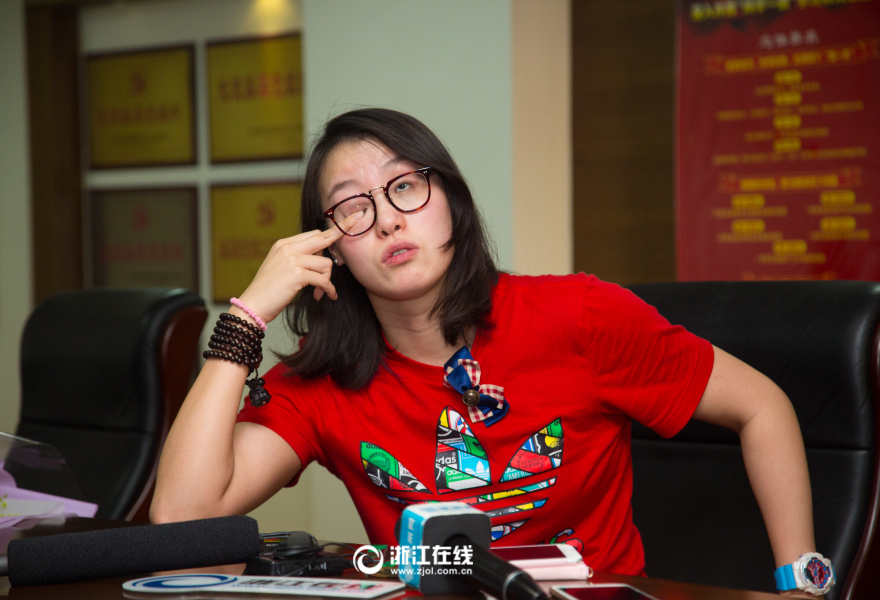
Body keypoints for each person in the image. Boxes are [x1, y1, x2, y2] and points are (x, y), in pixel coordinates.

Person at [151, 108, 825, 592]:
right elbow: (181, 524)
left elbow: (763, 406)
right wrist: (246, 317)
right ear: (331, 249)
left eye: (405, 186)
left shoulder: (581, 316)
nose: (387, 219)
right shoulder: (326, 381)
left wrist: (803, 583)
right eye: (351, 208)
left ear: (451, 198)